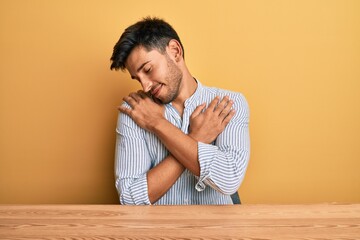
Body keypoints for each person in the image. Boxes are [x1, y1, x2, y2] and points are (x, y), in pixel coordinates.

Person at [110, 17, 250, 205]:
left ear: (175, 51)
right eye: (137, 78)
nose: (145, 86)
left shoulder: (227, 104)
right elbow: (129, 198)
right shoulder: (135, 111)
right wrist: (197, 138)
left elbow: (228, 180)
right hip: (160, 233)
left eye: (148, 69)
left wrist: (157, 124)